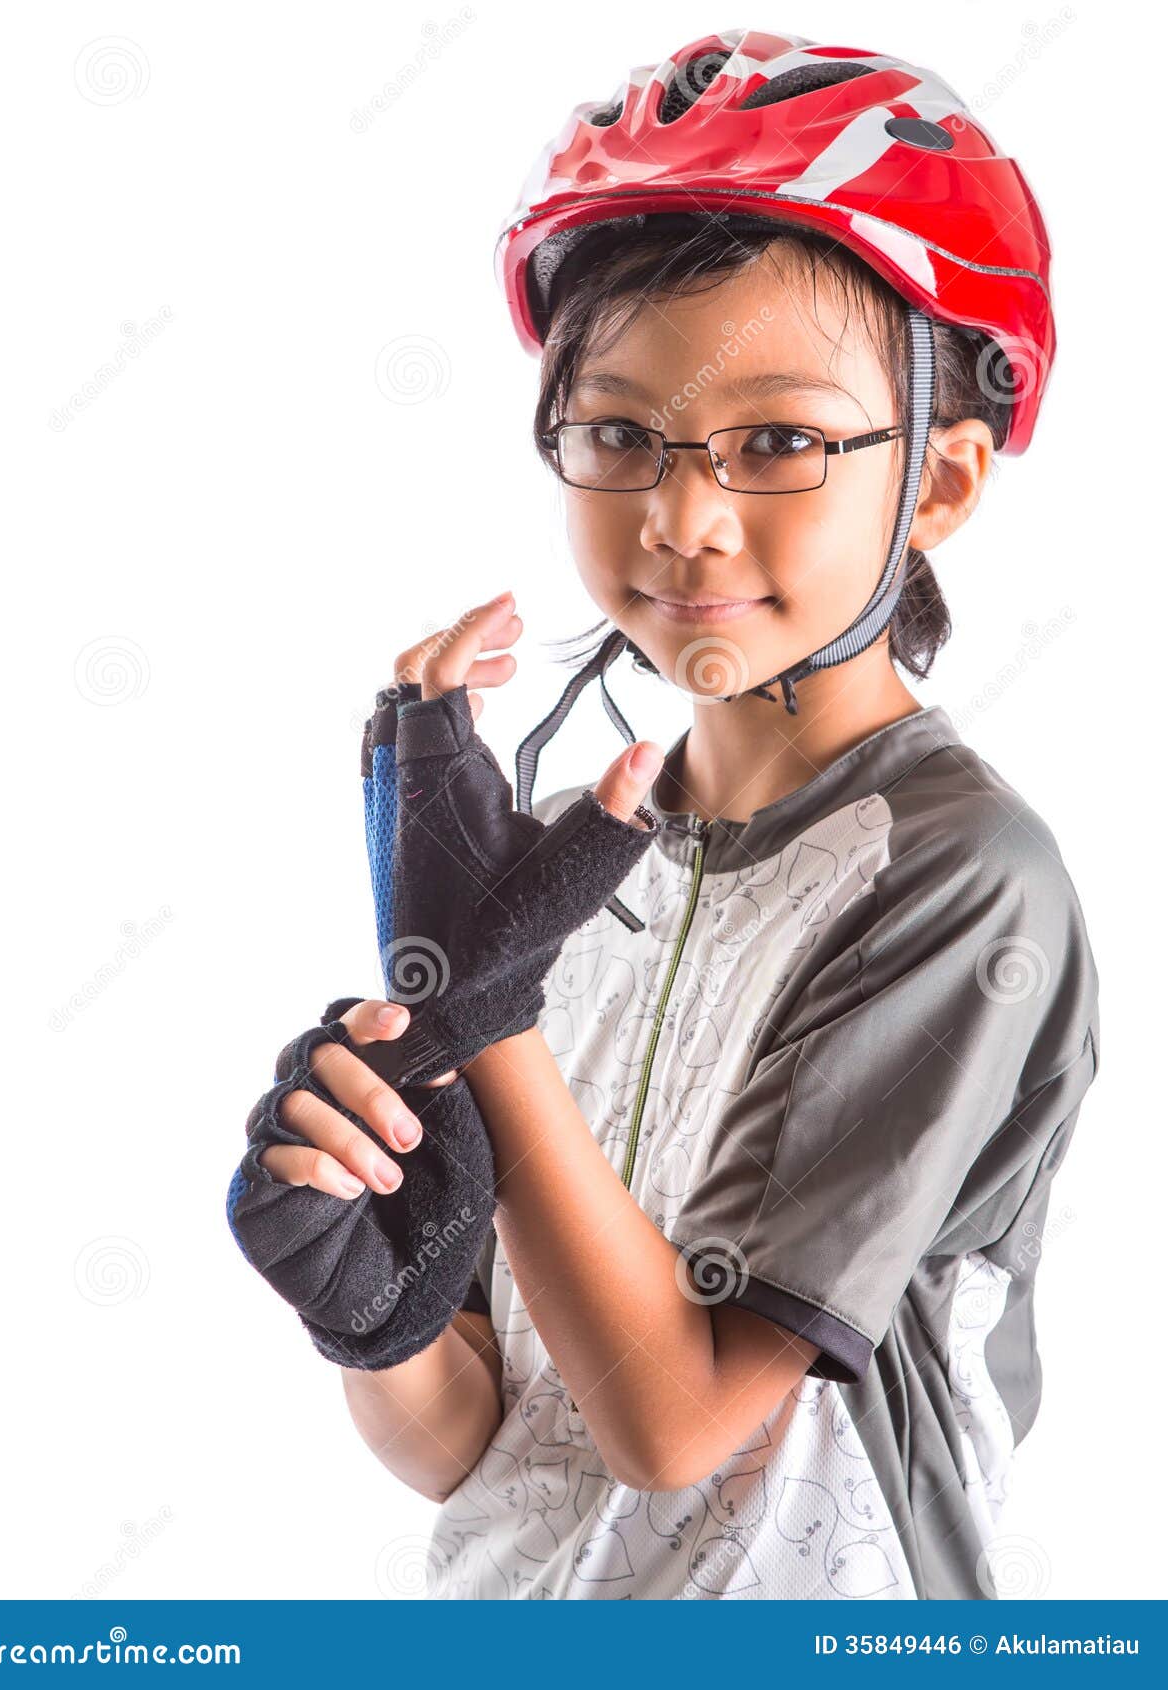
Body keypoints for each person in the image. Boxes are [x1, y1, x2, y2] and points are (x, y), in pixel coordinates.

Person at [253, 29, 1100, 1599]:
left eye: (778, 439)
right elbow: (494, 1437)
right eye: (622, 434)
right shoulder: (566, 846)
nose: (681, 516)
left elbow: (676, 1418)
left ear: (940, 485)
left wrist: (480, 994)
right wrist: (369, 1305)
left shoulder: (961, 878)